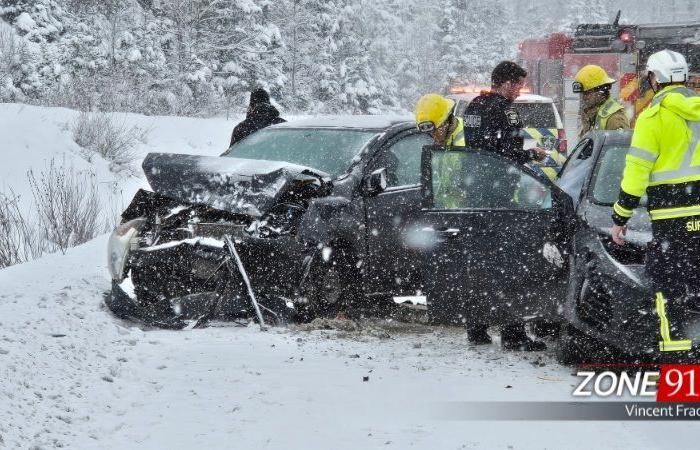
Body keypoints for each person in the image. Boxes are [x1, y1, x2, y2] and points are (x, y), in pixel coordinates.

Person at [612, 49, 700, 353]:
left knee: (669, 291)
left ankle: (679, 365)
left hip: (672, 222)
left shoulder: (652, 117)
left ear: (655, 79)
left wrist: (620, 217)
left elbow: (636, 172)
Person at [463, 61, 548, 351]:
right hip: (500, 196)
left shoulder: (473, 106)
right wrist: (532, 155)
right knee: (510, 265)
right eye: (519, 85)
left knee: (479, 264)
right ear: (507, 83)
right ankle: (513, 334)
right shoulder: (505, 109)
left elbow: (479, 148)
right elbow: (508, 150)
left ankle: (476, 327)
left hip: (475, 195)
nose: (519, 92)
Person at [414, 93, 466, 208]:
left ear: (446, 122)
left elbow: (470, 185)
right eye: (428, 132)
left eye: (434, 131)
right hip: (444, 212)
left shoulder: (466, 141)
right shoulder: (441, 143)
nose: (432, 136)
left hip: (462, 212)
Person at [573, 65, 630, 138]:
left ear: (600, 91)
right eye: (582, 93)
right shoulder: (589, 114)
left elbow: (619, 147)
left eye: (587, 93)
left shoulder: (615, 118)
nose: (584, 97)